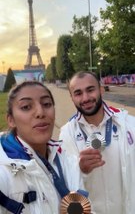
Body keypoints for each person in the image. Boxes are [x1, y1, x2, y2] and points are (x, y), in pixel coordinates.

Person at [0, 80, 90, 214]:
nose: (40, 113)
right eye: (26, 107)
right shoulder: (3, 173)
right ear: (11, 120)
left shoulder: (67, 160)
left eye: (46, 104)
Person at [59, 71, 135, 214]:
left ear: (101, 89)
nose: (85, 98)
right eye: (78, 93)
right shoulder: (67, 133)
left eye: (90, 90)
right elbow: (65, 183)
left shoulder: (129, 124)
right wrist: (80, 169)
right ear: (71, 97)